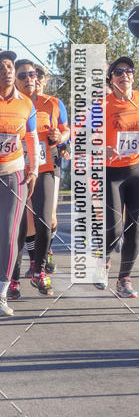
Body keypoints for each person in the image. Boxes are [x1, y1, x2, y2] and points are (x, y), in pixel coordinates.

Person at [94, 56, 139, 298]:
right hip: (111, 172)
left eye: (129, 71)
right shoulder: (101, 105)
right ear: (110, 79)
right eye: (118, 72)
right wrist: (100, 149)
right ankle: (102, 260)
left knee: (135, 226)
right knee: (114, 229)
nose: (125, 75)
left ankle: (124, 279)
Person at [9, 60, 69, 298]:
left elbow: (66, 131)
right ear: (14, 79)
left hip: (44, 167)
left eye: (31, 74)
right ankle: (12, 279)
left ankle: (39, 270)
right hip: (14, 170)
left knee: (45, 219)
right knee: (18, 226)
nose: (28, 79)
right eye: (22, 75)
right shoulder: (9, 104)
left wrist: (60, 136)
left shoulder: (52, 103)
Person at [0, 51, 38, 316]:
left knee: (9, 233)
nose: (8, 71)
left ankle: (1, 293)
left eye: (10, 66)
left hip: (13, 172)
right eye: (2, 67)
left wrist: (33, 169)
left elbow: (32, 138)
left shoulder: (26, 104)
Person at [34, 66, 69, 276]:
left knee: (51, 216)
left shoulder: (54, 103)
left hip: (50, 161)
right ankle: (34, 261)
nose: (35, 80)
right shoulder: (20, 102)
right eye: (30, 75)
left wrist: (64, 143)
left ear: (45, 81)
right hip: (24, 164)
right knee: (30, 219)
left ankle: (46, 251)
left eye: (40, 77)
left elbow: (66, 131)